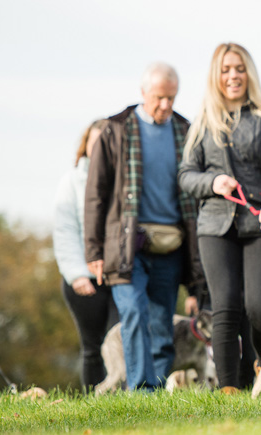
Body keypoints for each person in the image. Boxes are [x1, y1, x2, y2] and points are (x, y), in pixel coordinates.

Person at [85, 63, 204, 391]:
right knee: (134, 313)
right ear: (143, 93)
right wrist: (93, 251)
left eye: (171, 98)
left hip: (171, 245)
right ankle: (142, 390)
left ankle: (158, 390)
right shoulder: (115, 130)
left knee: (162, 324)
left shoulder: (185, 130)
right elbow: (96, 195)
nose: (165, 105)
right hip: (126, 245)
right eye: (158, 98)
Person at [178, 43, 261, 393]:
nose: (233, 76)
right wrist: (212, 182)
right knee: (225, 307)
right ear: (216, 75)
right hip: (215, 225)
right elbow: (185, 175)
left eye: (239, 69)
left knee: (258, 306)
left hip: (260, 220)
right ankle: (230, 390)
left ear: (249, 73)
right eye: (225, 69)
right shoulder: (202, 122)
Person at [53, 120, 119, 392]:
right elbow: (64, 230)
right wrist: (77, 273)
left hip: (119, 276)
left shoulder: (122, 179)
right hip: (85, 278)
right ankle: (93, 402)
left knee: (121, 340)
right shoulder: (71, 182)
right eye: (96, 141)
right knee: (92, 346)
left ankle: (127, 400)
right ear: (86, 146)